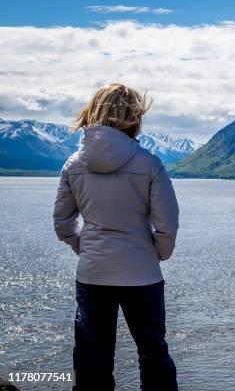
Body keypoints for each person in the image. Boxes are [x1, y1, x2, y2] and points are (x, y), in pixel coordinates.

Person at [53, 84, 180, 391]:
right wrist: (154, 254)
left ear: (93, 111)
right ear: (134, 116)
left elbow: (62, 222)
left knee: (91, 357)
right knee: (153, 353)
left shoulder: (73, 164)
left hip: (93, 273)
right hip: (142, 274)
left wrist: (85, 246)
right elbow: (167, 225)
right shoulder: (149, 162)